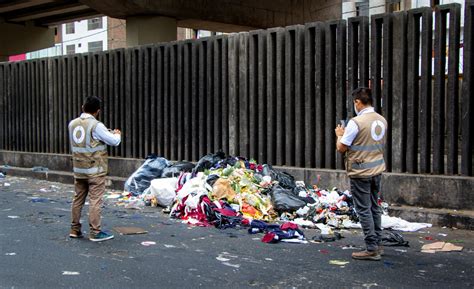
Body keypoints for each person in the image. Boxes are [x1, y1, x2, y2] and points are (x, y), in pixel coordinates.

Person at [335, 87, 387, 261]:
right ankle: (378, 244)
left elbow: (341, 147)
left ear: (358, 102)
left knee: (363, 210)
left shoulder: (356, 122)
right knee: (374, 207)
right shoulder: (381, 120)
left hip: (360, 171)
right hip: (377, 170)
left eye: (354, 103)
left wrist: (338, 135)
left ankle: (371, 248)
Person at [68, 96, 121, 242]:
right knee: (95, 200)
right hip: (95, 171)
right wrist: (117, 134)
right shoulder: (96, 125)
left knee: (78, 199)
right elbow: (114, 142)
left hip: (79, 169)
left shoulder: (72, 124)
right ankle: (95, 232)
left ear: (82, 107)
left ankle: (75, 229)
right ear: (97, 111)